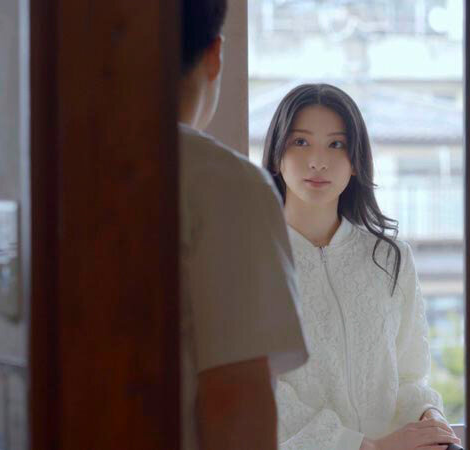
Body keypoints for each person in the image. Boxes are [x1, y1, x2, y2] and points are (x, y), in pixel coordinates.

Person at [262, 84, 462, 450]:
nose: (318, 161)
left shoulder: (390, 258)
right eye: (301, 142)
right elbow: (262, 392)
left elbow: (410, 377)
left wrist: (429, 417)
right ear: (277, 155)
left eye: (336, 144)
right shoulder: (253, 261)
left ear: (356, 161)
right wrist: (365, 447)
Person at [179, 2, 308, 449]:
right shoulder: (223, 184)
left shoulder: (44, 171)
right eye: (301, 142)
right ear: (214, 55)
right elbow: (236, 402)